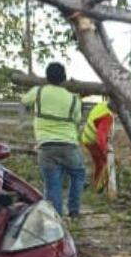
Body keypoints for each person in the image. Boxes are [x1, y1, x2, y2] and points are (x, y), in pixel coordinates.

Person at [21, 62, 85, 217]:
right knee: (78, 175)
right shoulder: (74, 99)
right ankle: (74, 209)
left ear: (47, 76)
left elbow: (24, 100)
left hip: (46, 146)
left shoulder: (38, 91)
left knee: (52, 185)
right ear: (64, 78)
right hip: (69, 145)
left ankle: (57, 218)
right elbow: (77, 119)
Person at [80, 98, 114, 192]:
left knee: (100, 162)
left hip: (87, 137)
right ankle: (98, 187)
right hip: (92, 141)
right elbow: (100, 137)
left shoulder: (102, 105)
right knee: (102, 162)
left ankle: (97, 184)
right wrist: (105, 149)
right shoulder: (107, 117)